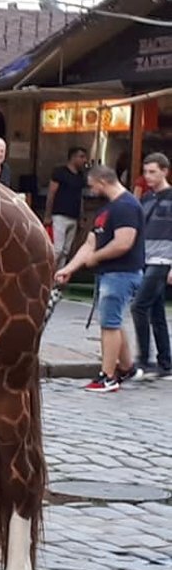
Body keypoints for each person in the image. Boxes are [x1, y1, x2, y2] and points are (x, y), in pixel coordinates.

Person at [55, 165, 145, 393]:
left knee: (109, 324)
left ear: (102, 181)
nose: (91, 189)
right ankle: (127, 367)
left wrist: (96, 258)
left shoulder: (126, 206)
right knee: (113, 321)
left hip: (122, 273)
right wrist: (70, 268)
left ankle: (108, 376)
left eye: (92, 184)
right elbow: (90, 243)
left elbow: (124, 242)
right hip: (110, 273)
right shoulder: (107, 210)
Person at [132, 152, 172, 380]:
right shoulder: (145, 199)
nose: (148, 176)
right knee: (156, 312)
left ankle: (144, 360)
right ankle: (165, 362)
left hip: (163, 259)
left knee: (139, 306)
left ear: (164, 171)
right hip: (146, 258)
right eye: (145, 172)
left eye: (153, 172)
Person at [45, 147, 89, 270]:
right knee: (57, 249)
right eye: (81, 157)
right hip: (59, 215)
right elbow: (51, 193)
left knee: (66, 251)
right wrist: (48, 215)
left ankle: (58, 279)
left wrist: (81, 217)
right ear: (73, 157)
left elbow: (80, 197)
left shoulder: (80, 175)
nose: (84, 160)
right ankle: (48, 275)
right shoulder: (60, 172)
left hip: (73, 216)